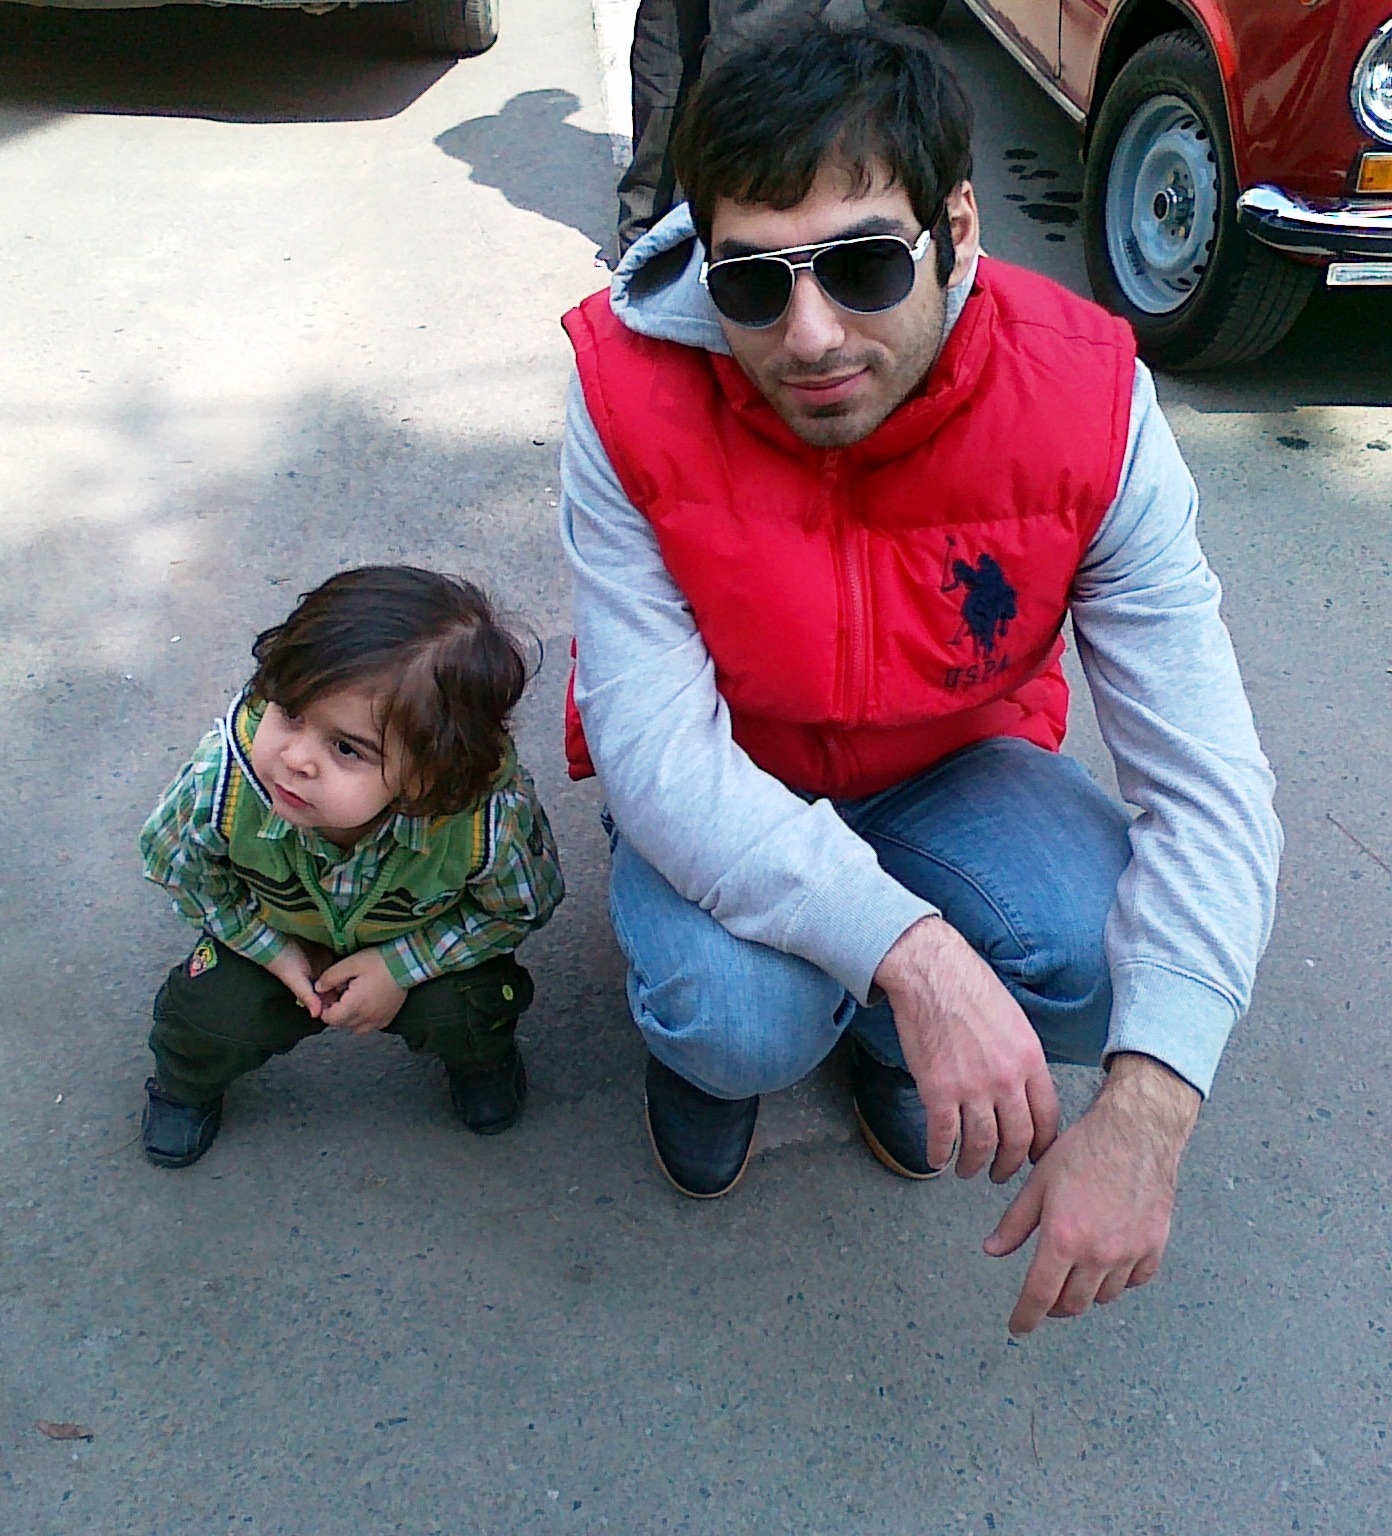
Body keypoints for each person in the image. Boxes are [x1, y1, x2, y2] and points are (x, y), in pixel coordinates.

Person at [560, 16, 1281, 1335]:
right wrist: (920, 954)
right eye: (753, 284)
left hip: (949, 766)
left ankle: (888, 1035)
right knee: (734, 1018)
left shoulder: (1088, 402)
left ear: (957, 227)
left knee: (1118, 966)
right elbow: (656, 754)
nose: (811, 337)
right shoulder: (622, 387)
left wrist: (1154, 1105)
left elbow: (1211, 780)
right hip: (733, 766)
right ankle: (756, 1049)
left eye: (864, 266)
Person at [138, 566, 564, 1168]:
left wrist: (401, 966)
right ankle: (185, 1084)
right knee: (207, 1014)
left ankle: (480, 1061)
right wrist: (271, 950)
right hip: (275, 932)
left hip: (418, 942)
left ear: (429, 776)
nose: (294, 758)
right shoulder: (225, 780)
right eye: (290, 712)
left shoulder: (483, 821)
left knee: (472, 1007)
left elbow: (521, 906)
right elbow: (177, 866)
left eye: (345, 748)